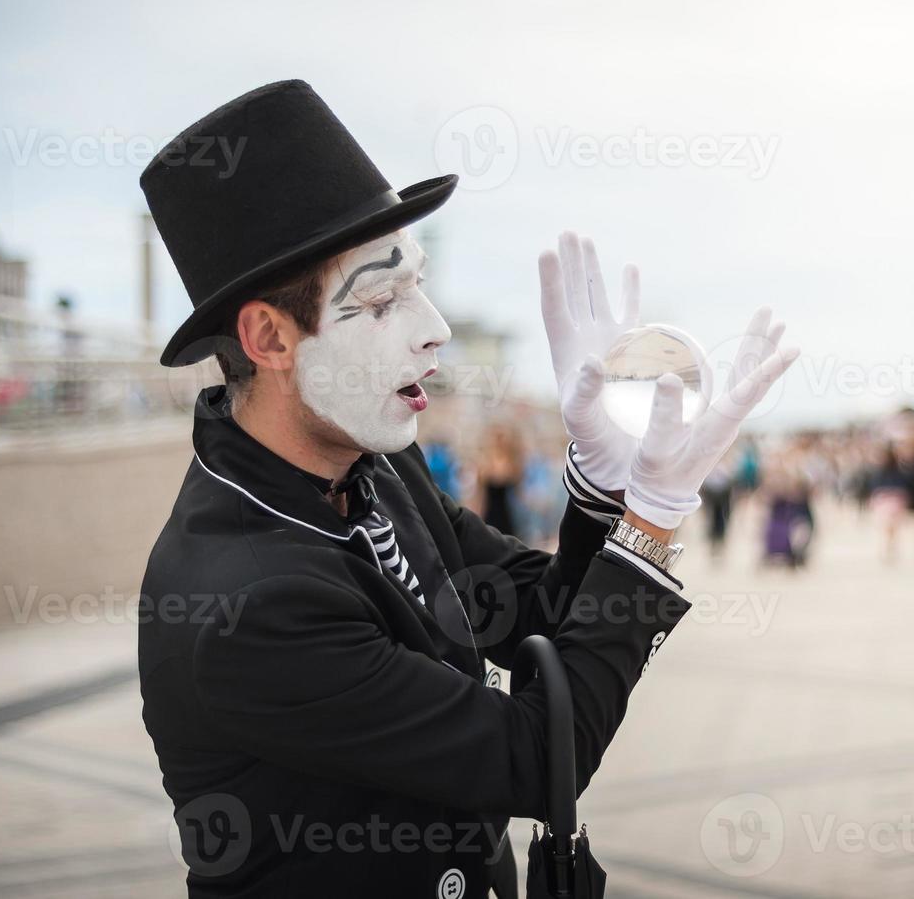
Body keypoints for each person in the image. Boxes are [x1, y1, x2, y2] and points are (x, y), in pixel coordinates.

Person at [136, 81, 798, 898]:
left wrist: (601, 480)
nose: (433, 325)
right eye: (381, 299)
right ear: (269, 337)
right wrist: (656, 515)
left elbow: (538, 617)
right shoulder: (248, 603)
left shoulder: (376, 468)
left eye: (417, 282)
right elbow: (532, 758)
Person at [475, 423, 523, 537]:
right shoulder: (485, 461)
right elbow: (480, 492)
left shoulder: (512, 462)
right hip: (490, 510)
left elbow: (516, 482)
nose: (499, 441)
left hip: (507, 511)